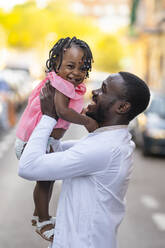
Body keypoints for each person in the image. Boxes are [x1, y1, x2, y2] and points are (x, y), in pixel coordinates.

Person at [18, 72, 150, 248]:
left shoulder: (105, 148)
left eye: (103, 90)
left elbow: (28, 166)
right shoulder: (109, 141)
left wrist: (49, 117)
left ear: (122, 107)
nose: (94, 92)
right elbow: (47, 151)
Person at [15, 36, 98, 242]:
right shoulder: (59, 84)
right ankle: (43, 221)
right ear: (56, 64)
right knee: (45, 182)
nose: (76, 73)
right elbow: (62, 111)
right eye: (70, 66)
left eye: (82, 68)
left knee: (47, 181)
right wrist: (86, 121)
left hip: (47, 142)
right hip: (33, 143)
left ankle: (38, 216)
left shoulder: (66, 84)